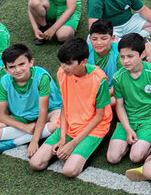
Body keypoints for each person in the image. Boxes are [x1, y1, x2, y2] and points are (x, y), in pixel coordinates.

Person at [29, 37, 112, 178]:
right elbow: (65, 106)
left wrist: (73, 143)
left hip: (95, 127)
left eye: (68, 63)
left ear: (84, 62)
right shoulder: (62, 73)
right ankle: (66, 150)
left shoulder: (99, 80)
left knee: (69, 171)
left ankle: (84, 152)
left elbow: (99, 116)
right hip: (70, 123)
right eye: (62, 62)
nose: (64, 67)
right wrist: (62, 138)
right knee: (36, 164)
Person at [0, 44, 59, 156]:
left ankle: (16, 141)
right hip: (23, 116)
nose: (18, 70)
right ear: (6, 69)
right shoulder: (5, 81)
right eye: (12, 67)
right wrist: (25, 127)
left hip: (49, 111)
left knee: (58, 122)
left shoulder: (41, 76)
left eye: (21, 64)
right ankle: (35, 132)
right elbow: (0, 115)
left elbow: (43, 111)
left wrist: (34, 141)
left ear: (30, 62)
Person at [107, 32, 151, 165]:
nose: (125, 61)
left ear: (143, 54)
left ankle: (139, 143)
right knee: (112, 158)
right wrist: (128, 129)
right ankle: (129, 140)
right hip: (129, 120)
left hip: (149, 121)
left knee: (136, 157)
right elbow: (120, 105)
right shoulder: (118, 77)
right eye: (122, 57)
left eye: (130, 56)